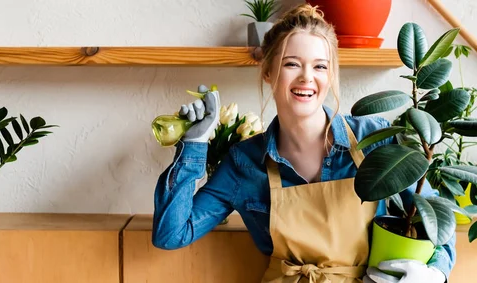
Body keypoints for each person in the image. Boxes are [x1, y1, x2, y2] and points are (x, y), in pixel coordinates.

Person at [152, 3, 455, 283]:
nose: (307, 78)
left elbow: (437, 220)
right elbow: (171, 234)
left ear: (332, 74)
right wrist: (194, 143)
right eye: (292, 64)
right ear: (268, 72)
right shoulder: (244, 161)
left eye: (320, 66)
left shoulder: (374, 139)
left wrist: (433, 274)